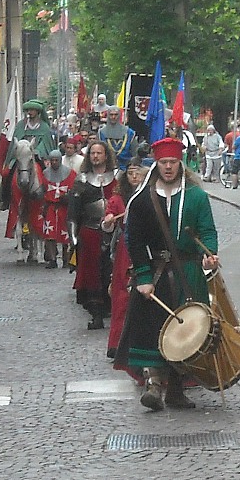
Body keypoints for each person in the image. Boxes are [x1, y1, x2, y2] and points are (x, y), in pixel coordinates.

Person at [115, 138, 219, 412]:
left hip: (188, 272)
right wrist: (143, 277)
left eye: (173, 162)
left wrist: (210, 254)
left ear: (180, 165)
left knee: (185, 331)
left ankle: (175, 389)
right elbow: (134, 240)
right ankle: (153, 385)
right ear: (157, 165)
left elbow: (207, 231)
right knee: (153, 328)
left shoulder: (196, 197)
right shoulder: (142, 201)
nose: (169, 167)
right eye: (164, 163)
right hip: (156, 273)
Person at [70, 139, 119, 330]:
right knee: (92, 275)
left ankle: (113, 309)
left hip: (115, 233)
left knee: (113, 272)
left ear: (106, 155)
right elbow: (73, 214)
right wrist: (74, 239)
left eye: (99, 153)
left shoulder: (118, 178)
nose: (96, 156)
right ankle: (96, 314)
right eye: (92, 153)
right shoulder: (81, 181)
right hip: (90, 233)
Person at [101, 163, 143, 359]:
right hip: (125, 250)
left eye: (138, 173)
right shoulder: (118, 199)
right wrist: (109, 220)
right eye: (131, 173)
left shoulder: (149, 195)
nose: (134, 177)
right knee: (121, 296)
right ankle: (117, 343)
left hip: (147, 247)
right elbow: (108, 221)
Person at [36, 149, 76, 269]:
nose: (54, 163)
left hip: (65, 208)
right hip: (51, 208)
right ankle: (52, 259)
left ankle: (65, 259)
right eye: (52, 160)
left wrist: (69, 197)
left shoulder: (71, 174)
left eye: (56, 160)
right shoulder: (44, 174)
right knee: (50, 235)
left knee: (65, 235)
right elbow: (41, 190)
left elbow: (75, 190)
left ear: (60, 160)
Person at [97, 106, 139, 170]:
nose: (113, 117)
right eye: (111, 115)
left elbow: (135, 154)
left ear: (119, 115)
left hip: (126, 169)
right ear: (108, 115)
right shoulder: (101, 133)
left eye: (116, 115)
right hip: (106, 169)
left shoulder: (130, 133)